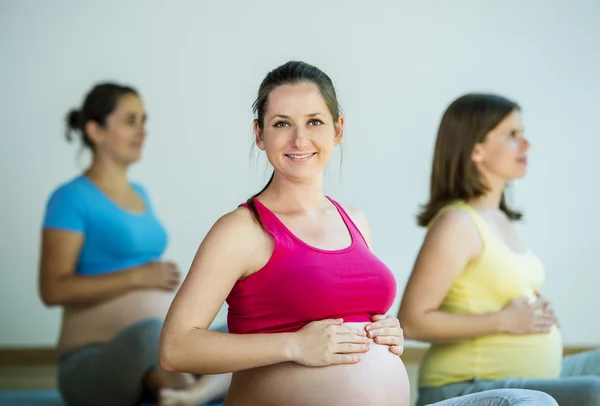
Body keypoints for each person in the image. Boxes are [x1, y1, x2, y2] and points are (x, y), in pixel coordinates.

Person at [398, 93, 600, 406]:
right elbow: (411, 322)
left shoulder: (499, 219)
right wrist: (505, 321)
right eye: (512, 135)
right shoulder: (456, 223)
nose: (526, 144)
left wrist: (535, 315)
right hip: (465, 386)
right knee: (594, 392)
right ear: (476, 149)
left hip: (530, 375)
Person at [38, 82, 231, 406]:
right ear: (96, 131)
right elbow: (53, 289)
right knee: (151, 334)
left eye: (144, 120)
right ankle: (193, 388)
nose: (142, 130)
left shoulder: (140, 194)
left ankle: (187, 389)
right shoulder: (70, 199)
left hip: (166, 349)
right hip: (94, 360)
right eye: (130, 121)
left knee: (246, 329)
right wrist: (138, 278)